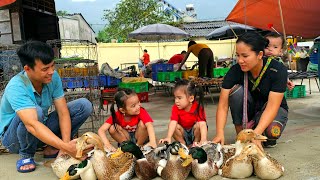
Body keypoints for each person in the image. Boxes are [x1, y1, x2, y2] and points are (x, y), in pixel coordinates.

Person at [0, 41, 93, 173]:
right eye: (45, 69)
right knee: (36, 111)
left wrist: (64, 146)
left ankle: (51, 147)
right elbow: (31, 124)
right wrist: (67, 147)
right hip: (14, 139)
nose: (51, 72)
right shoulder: (16, 86)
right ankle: (26, 155)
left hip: (39, 129)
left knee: (84, 105)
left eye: (52, 66)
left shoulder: (52, 77)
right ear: (27, 69)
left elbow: (63, 112)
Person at [212, 31, 289, 150]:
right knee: (236, 92)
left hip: (272, 109)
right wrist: (219, 133)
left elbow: (272, 107)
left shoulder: (278, 70)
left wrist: (255, 134)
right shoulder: (235, 71)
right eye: (238, 55)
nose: (240, 60)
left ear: (259, 55)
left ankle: (261, 134)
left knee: (272, 132)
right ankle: (241, 134)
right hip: (250, 110)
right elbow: (222, 105)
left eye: (245, 56)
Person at [159, 79, 207, 147]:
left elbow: (203, 124)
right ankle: (183, 144)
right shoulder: (175, 108)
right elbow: (173, 122)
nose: (176, 101)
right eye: (175, 98)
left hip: (194, 132)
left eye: (179, 98)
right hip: (182, 132)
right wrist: (168, 137)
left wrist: (204, 139)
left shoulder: (198, 107)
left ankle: (196, 143)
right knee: (172, 125)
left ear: (191, 98)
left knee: (199, 124)